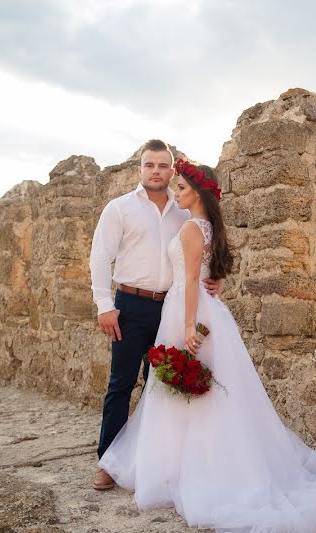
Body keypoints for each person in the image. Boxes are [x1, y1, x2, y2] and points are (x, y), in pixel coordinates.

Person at [98, 159, 316, 533]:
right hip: (197, 310)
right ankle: (184, 466)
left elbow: (192, 279)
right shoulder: (207, 226)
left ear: (199, 193)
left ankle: (186, 471)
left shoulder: (192, 227)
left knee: (185, 388)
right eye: (174, 187)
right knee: (194, 391)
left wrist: (188, 327)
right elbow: (207, 270)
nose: (176, 193)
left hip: (185, 310)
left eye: (182, 189)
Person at [89, 140, 222, 491]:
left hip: (171, 308)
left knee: (161, 388)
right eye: (150, 165)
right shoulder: (119, 208)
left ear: (172, 171)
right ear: (140, 168)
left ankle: (155, 463)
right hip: (130, 306)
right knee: (121, 383)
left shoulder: (183, 209)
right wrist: (105, 305)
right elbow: (100, 257)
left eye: (163, 166)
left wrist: (217, 275)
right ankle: (109, 463)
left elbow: (205, 249)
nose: (156, 171)